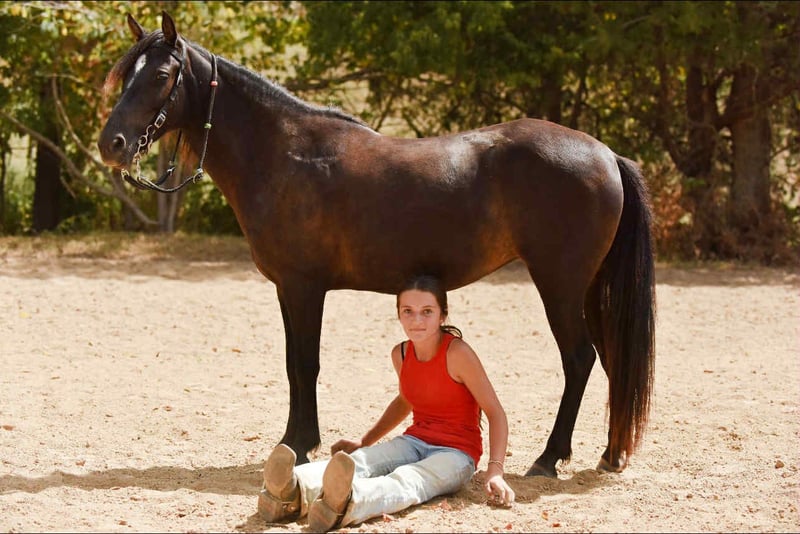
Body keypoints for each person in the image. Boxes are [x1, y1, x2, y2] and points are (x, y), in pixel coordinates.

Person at [258, 274, 515, 531]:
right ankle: (291, 489)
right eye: (408, 311)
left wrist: (495, 471)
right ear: (399, 315)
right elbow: (405, 400)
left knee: (408, 479)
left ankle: (348, 504)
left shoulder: (458, 353)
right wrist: (364, 441)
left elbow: (495, 412)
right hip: (414, 441)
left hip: (456, 454)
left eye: (427, 311)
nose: (417, 320)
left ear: (442, 315)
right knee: (363, 460)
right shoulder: (401, 354)